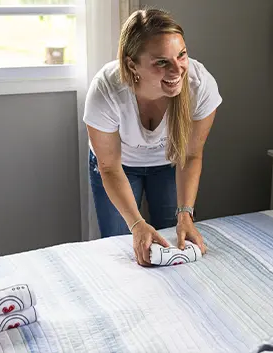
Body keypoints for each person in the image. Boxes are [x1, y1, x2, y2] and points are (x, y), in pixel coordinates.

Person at [82, 8, 222, 266]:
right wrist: (136, 224)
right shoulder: (106, 89)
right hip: (117, 168)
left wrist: (186, 214)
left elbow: (191, 155)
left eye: (181, 55)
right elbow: (109, 167)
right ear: (131, 64)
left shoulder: (199, 85)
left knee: (172, 244)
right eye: (161, 62)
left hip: (169, 164)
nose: (176, 69)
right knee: (121, 245)